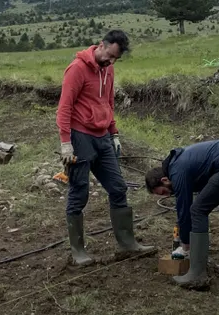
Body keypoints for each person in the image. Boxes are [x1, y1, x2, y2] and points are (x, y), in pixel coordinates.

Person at [56, 30, 155, 265]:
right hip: (80, 137)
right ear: (101, 45)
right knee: (79, 191)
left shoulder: (108, 69)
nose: (111, 62)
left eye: (115, 59)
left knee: (118, 188)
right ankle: (78, 251)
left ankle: (128, 244)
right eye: (109, 56)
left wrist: (114, 133)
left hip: (103, 138)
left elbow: (107, 102)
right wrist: (66, 142)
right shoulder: (77, 69)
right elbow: (64, 107)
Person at [145, 138, 219, 289]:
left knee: (198, 210)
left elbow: (184, 207)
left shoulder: (177, 169)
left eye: (163, 191)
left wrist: (185, 243)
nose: (167, 195)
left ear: (164, 179)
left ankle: (197, 274)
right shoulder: (183, 161)